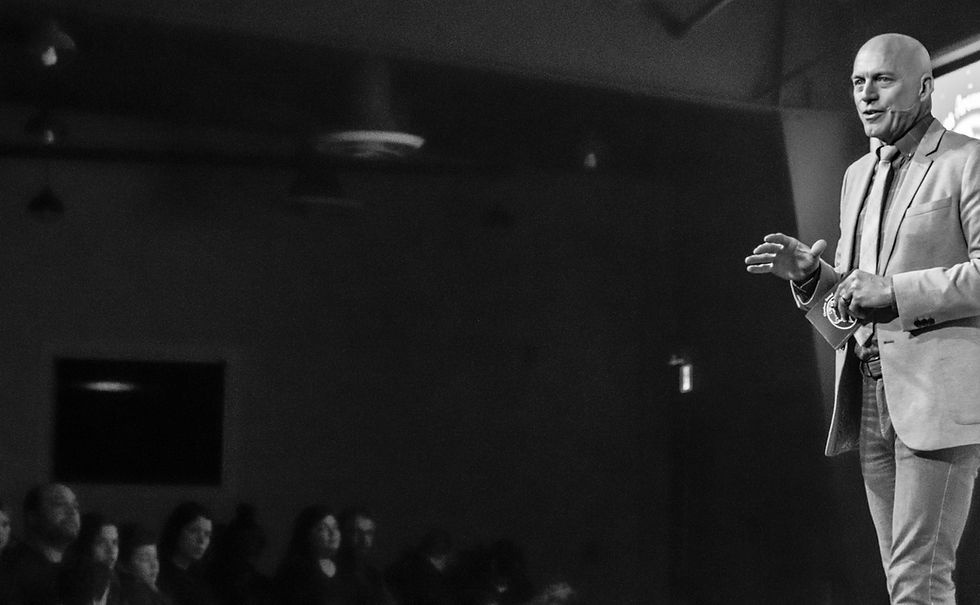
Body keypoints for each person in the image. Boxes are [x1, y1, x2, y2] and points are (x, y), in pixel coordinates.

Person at [745, 33, 980, 603]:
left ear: (924, 87)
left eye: (882, 80)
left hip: (937, 401)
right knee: (904, 581)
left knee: (918, 580)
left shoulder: (967, 160)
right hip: (870, 393)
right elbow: (854, 302)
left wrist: (894, 291)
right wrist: (812, 277)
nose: (866, 95)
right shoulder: (857, 175)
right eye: (857, 82)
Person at [0, 483, 81, 605]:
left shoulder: (80, 569)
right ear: (33, 517)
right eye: (59, 504)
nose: (72, 511)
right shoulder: (10, 572)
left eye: (76, 506)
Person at [274, 505, 356, 605]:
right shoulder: (295, 574)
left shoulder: (346, 570)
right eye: (322, 529)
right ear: (307, 535)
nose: (333, 533)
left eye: (335, 527)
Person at [157, 502, 217, 605]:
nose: (202, 540)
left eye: (207, 534)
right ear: (177, 531)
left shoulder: (202, 576)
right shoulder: (159, 575)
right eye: (194, 531)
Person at [60, 513, 124, 604]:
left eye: (114, 542)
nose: (111, 550)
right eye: (101, 542)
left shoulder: (118, 585)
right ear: (85, 545)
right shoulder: (68, 585)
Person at [336, 507, 394, 605]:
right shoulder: (330, 572)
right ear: (340, 533)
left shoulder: (373, 575)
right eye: (356, 532)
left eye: (369, 533)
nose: (364, 540)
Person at [117, 523, 174, 605]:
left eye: (155, 557)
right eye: (145, 559)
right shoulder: (136, 594)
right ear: (125, 565)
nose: (154, 565)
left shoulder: (155, 591)